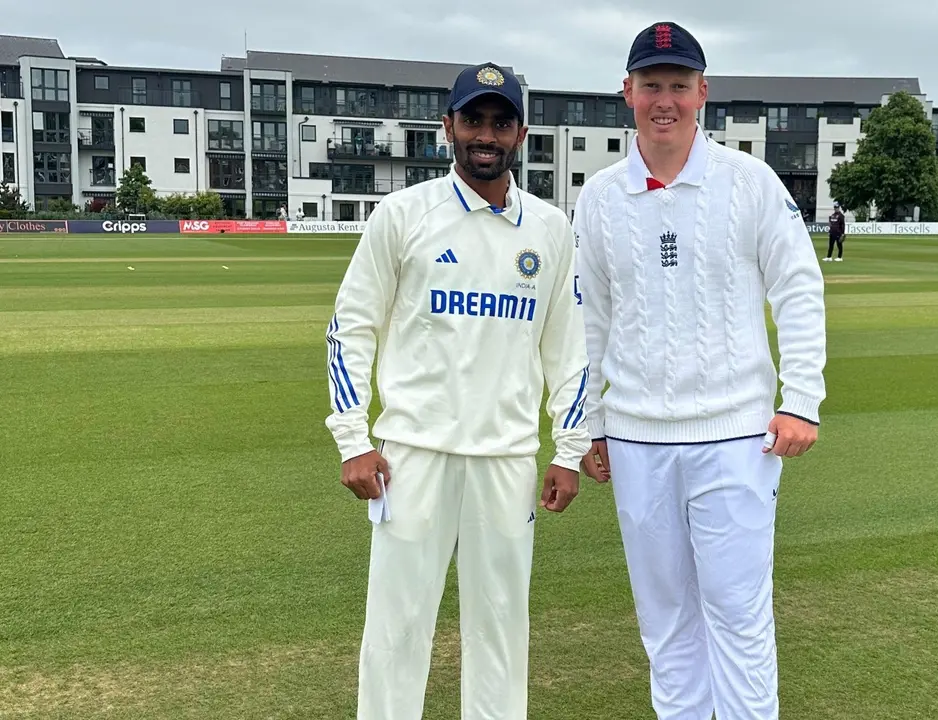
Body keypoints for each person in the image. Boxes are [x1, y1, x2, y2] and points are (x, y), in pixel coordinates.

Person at [573, 21, 827, 720]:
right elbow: (586, 320)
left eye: (678, 86)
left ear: (702, 94)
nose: (665, 100)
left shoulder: (749, 182)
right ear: (627, 92)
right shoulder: (598, 198)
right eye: (651, 85)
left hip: (734, 438)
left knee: (739, 620)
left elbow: (798, 287)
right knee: (667, 628)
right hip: (636, 439)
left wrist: (801, 399)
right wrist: (589, 424)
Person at [324, 61, 591, 720]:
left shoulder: (551, 230)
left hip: (504, 457)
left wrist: (568, 449)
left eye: (500, 123)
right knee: (397, 627)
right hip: (412, 454)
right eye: (474, 119)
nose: (486, 135)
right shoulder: (402, 215)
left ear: (521, 133)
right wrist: (353, 440)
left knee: (500, 629)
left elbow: (570, 349)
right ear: (448, 125)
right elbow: (348, 330)